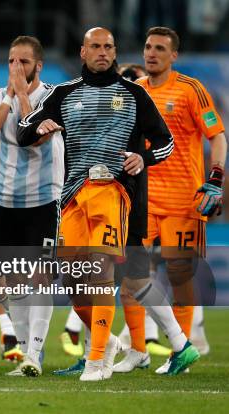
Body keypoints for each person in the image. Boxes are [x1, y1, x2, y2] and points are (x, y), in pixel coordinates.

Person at [16, 27, 174, 381]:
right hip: (73, 196)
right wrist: (39, 130)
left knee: (100, 271)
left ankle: (97, 360)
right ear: (83, 51)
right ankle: (111, 342)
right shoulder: (64, 93)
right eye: (95, 46)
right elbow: (22, 130)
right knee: (74, 283)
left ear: (115, 51)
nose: (103, 52)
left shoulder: (134, 93)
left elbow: (165, 141)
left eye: (108, 46)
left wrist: (142, 158)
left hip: (113, 191)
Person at [119, 26, 226, 374]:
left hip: (183, 201)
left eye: (160, 49)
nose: (151, 53)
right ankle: (138, 350)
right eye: (148, 47)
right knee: (131, 276)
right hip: (144, 199)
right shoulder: (135, 92)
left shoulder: (191, 90)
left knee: (180, 279)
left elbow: (218, 137)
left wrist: (216, 179)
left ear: (174, 55)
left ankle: (179, 354)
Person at [0, 35, 63, 377]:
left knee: (39, 278)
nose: (16, 68)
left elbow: (32, 137)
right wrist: (10, 96)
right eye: (12, 61)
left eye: (24, 62)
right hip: (6, 199)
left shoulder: (54, 96)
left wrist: (23, 95)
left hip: (42, 199)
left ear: (38, 65)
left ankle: (35, 354)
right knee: (8, 283)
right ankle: (26, 351)